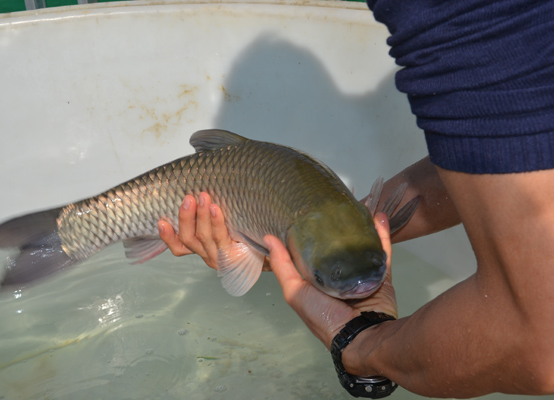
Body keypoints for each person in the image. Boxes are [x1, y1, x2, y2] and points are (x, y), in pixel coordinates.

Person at [157, 0, 554, 397]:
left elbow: (541, 342)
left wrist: (360, 344)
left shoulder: (454, 15)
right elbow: (502, 151)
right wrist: (338, 238)